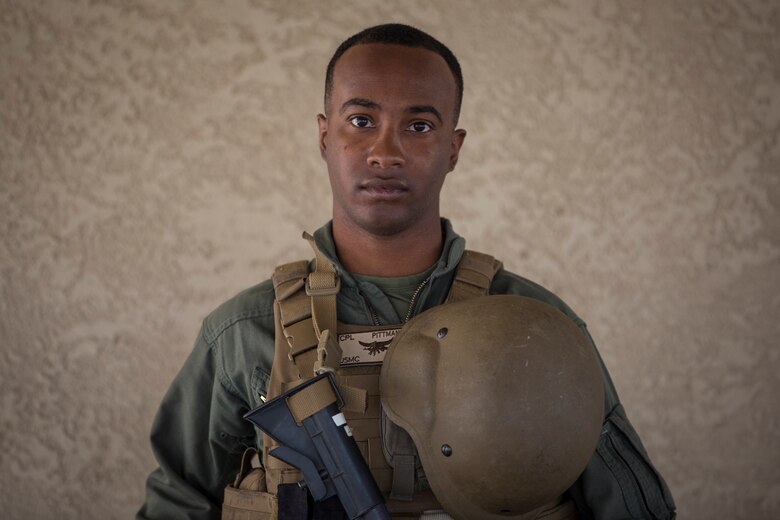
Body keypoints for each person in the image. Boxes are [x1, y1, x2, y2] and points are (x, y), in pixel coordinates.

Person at [139, 23, 675, 520]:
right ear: (325, 137)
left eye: (419, 125)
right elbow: (177, 500)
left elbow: (632, 507)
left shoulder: (537, 327)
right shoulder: (242, 333)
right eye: (361, 121)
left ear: (453, 149)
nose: (385, 151)